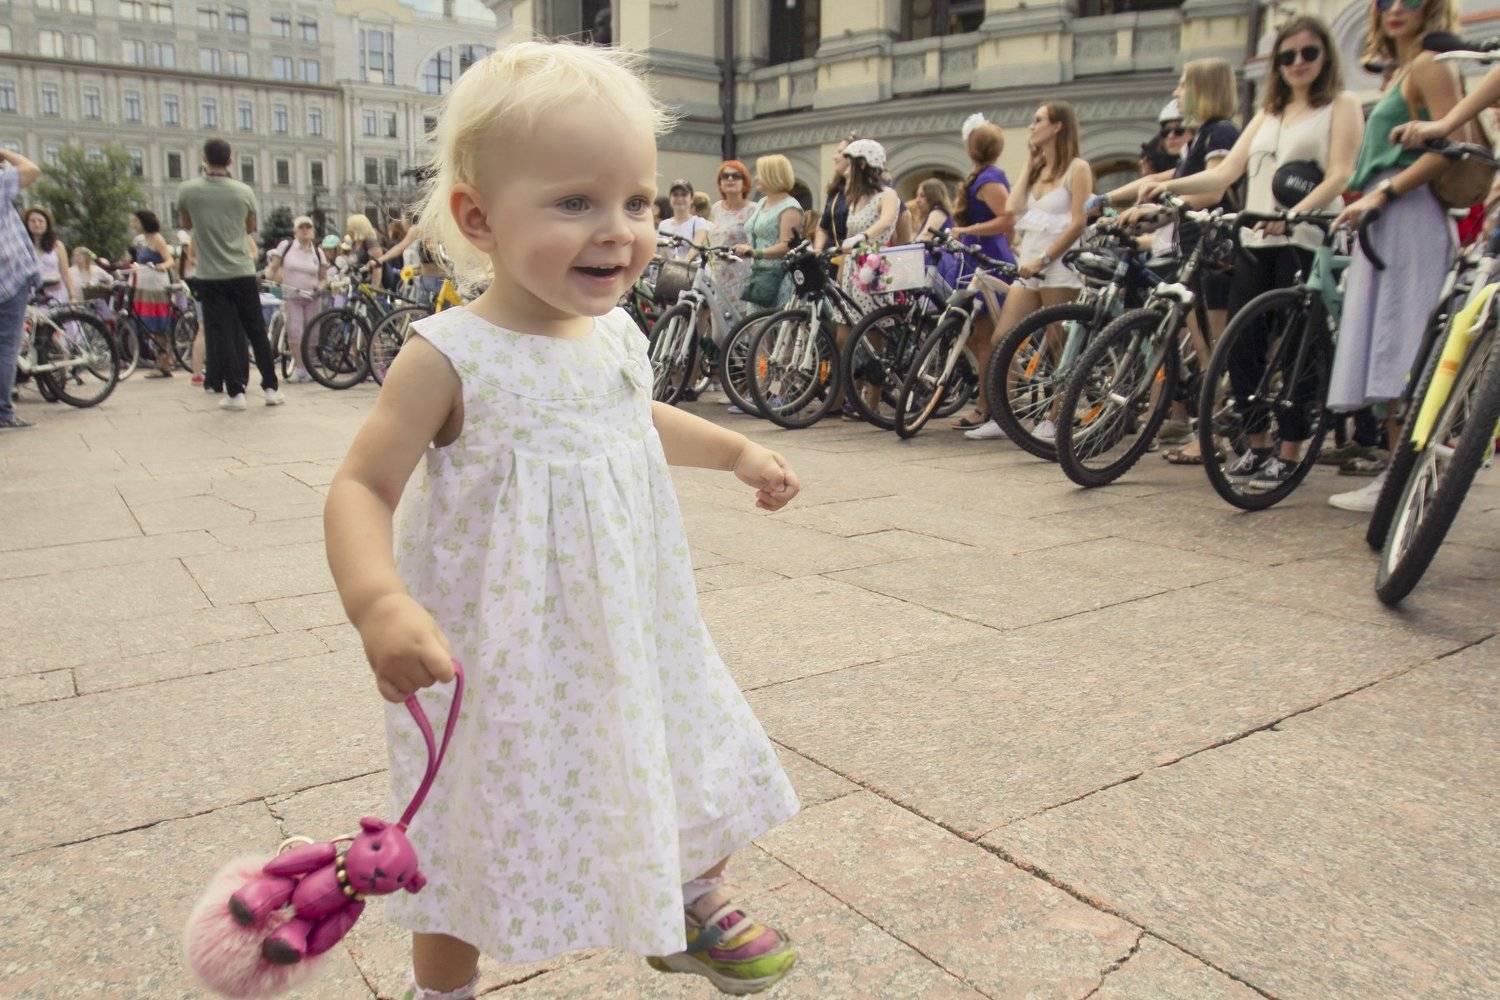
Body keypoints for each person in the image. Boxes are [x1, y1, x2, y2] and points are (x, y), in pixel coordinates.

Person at [321, 41, 801, 1000]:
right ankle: (443, 989)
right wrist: (378, 602)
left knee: (685, 748)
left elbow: (632, 418)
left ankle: (686, 896)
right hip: (502, 652)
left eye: (638, 201)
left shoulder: (617, 332)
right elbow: (361, 486)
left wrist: (733, 451)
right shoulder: (449, 355)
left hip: (633, 626)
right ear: (479, 217)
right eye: (576, 202)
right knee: (470, 819)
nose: (618, 231)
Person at [1145, 15, 1363, 484]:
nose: (1298, 62)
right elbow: (1225, 174)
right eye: (1287, 56)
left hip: (1304, 236)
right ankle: (1257, 442)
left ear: (1325, 57)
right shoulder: (1267, 114)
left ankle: (1291, 448)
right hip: (1254, 236)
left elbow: (1341, 173)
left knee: (1296, 347)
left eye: (1309, 53)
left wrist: (1296, 212)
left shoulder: (1341, 104)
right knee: (1241, 342)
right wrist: (1167, 189)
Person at [1327, 0, 1465, 513]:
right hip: (1389, 212)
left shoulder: (1429, 64)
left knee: (1402, 337)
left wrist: (1384, 194)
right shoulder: (1403, 70)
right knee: (1390, 336)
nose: (1397, 8)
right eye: (1386, 0)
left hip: (1408, 212)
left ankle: (1406, 477)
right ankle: (1400, 472)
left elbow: (1451, 145)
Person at [966, 103, 1092, 442]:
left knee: (1058, 342)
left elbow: (1078, 222)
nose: (1031, 126)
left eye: (1038, 120)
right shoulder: (1039, 170)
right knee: (1002, 338)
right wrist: (1029, 164)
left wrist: (1046, 258)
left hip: (1060, 264)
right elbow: (1012, 207)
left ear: (1058, 126)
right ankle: (1003, 415)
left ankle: (1057, 417)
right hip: (1031, 263)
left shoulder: (1077, 168)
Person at [177, 137, 283, 409]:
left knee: (221, 333)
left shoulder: (188, 191)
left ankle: (235, 393)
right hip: (242, 270)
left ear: (204, 159)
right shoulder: (243, 191)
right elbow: (250, 227)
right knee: (256, 330)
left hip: (210, 274)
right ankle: (271, 388)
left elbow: (187, 223)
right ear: (230, 160)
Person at [946, 120, 1018, 433]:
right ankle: (993, 396)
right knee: (978, 336)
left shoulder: (988, 180)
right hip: (977, 258)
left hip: (989, 259)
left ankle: (986, 406)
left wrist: (969, 229)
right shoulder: (984, 177)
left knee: (986, 336)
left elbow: (1007, 218)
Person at [0, 148, 42, 430]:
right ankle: (3, 413)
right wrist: (3, 152)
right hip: (10, 276)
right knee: (6, 347)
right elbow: (32, 169)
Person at [732, 155, 802, 314]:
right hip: (759, 275)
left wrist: (756, 252)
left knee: (774, 325)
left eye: (761, 173)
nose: (756, 178)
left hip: (778, 279)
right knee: (755, 326)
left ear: (773, 176)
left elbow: (787, 246)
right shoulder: (763, 202)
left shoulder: (790, 207)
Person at [265, 215, 327, 383]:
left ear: (313, 231)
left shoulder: (318, 252)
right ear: (295, 231)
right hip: (292, 296)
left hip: (312, 298)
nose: (305, 230)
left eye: (308, 227)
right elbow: (273, 268)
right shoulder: (286, 247)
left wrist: (320, 288)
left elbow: (323, 278)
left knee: (312, 334)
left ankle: (309, 366)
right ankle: (300, 368)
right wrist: (265, 277)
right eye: (301, 227)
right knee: (295, 332)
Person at [128, 209, 177, 378]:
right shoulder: (141, 240)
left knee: (158, 325)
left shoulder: (157, 238)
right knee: (148, 325)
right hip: (143, 285)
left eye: (136, 221)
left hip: (156, 287)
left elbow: (170, 260)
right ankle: (161, 359)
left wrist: (161, 266)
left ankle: (164, 362)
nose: (133, 225)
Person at [707, 160, 755, 310]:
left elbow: (758, 243)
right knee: (719, 319)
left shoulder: (753, 210)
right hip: (719, 274)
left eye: (736, 176)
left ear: (745, 183)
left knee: (743, 320)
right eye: (725, 176)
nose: (730, 179)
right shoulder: (716, 208)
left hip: (743, 274)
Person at [813, 133, 859, 252]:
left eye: (840, 152)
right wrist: (817, 252)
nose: (835, 157)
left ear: (852, 158)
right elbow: (823, 227)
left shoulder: (871, 192)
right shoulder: (836, 192)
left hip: (859, 255)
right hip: (834, 256)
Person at [24, 207, 76, 306]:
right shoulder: (22, 246)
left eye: (40, 221)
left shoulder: (57, 246)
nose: (37, 224)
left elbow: (65, 273)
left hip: (56, 295)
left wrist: (72, 296)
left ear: (47, 224)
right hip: (31, 297)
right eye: (33, 221)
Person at [657, 178, 710, 259]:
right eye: (675, 195)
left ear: (691, 199)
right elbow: (661, 254)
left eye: (684, 195)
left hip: (691, 266)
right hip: (669, 267)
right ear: (670, 198)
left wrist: (683, 263)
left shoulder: (699, 222)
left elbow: (696, 247)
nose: (679, 198)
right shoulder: (663, 224)